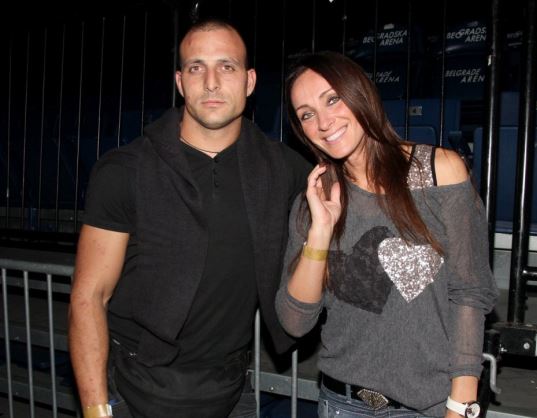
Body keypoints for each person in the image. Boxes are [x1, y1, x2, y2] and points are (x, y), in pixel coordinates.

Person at [68, 18, 310, 418]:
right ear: (180, 82)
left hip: (231, 390)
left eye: (226, 66)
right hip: (134, 391)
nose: (211, 82)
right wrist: (96, 410)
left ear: (249, 81)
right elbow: (88, 296)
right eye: (197, 68)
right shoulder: (125, 170)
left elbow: (353, 192)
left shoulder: (283, 169)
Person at [275, 51, 498, 418]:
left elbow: (469, 292)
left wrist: (461, 405)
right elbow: (295, 322)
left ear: (361, 94)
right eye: (307, 114)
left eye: (333, 99)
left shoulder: (440, 173)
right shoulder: (314, 199)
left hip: (428, 407)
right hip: (341, 404)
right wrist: (320, 231)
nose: (324, 122)